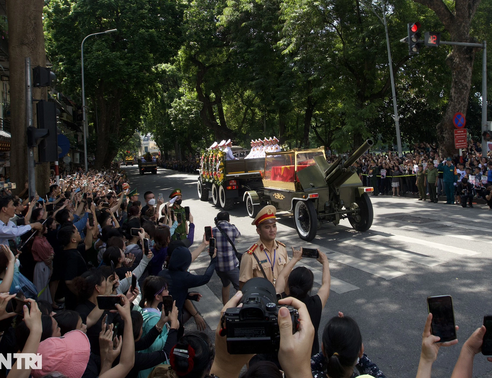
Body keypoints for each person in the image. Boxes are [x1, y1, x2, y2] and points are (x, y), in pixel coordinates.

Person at [275, 247, 330, 356]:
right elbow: (326, 284)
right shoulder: (315, 304)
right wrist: (325, 262)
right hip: (308, 356)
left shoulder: (280, 300)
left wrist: (295, 259)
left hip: (284, 357)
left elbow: (281, 276)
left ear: (288, 283)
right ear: (309, 288)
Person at [239, 205, 288, 289]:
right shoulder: (250, 255)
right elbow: (244, 286)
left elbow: (287, 276)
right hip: (262, 299)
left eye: (274, 226)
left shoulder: (282, 249)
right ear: (258, 231)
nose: (272, 230)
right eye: (267, 227)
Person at [213, 211, 241, 304]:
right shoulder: (232, 228)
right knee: (239, 288)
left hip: (219, 266)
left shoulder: (213, 230)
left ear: (217, 220)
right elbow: (238, 235)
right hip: (231, 265)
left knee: (225, 284)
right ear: (229, 219)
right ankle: (238, 307)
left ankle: (225, 306)